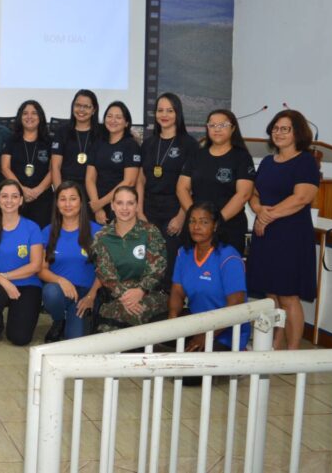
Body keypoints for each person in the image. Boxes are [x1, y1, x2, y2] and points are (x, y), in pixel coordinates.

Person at [247, 110, 320, 350]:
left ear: (297, 133)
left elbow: (301, 198)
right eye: (275, 128)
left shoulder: (306, 161)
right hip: (266, 236)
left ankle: (293, 350)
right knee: (271, 296)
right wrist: (258, 209)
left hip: (291, 235)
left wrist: (267, 215)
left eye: (284, 129)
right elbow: (254, 194)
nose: (278, 133)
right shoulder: (268, 162)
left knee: (289, 296)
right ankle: (274, 344)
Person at [169, 201, 249, 351]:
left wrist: (207, 335)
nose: (196, 227)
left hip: (226, 330)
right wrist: (172, 320)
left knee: (190, 369)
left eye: (203, 222)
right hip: (197, 321)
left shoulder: (228, 257)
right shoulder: (184, 253)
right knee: (153, 332)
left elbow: (236, 306)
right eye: (192, 221)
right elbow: (177, 292)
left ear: (216, 225)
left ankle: (238, 355)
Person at [137, 93, 197, 288]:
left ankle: (171, 313)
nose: (164, 115)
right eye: (160, 110)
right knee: (147, 262)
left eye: (169, 111)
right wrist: (139, 211)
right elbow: (140, 179)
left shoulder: (189, 144)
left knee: (170, 265)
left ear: (177, 114)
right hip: (149, 209)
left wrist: (182, 216)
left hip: (175, 209)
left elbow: (192, 186)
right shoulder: (148, 143)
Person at [90, 185, 168, 332]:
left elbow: (157, 268)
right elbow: (105, 273)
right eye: (119, 203)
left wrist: (141, 290)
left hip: (149, 293)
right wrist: (124, 296)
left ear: (137, 206)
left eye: (130, 203)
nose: (124, 208)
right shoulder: (102, 237)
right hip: (116, 296)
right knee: (108, 323)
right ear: (112, 205)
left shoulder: (150, 232)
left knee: (131, 316)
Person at [177, 109, 256, 253]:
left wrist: (215, 222)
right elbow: (182, 188)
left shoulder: (242, 157)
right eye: (212, 125)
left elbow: (243, 194)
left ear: (233, 128)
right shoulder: (197, 155)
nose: (217, 129)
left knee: (225, 272)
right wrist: (196, 220)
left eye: (222, 125)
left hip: (228, 226)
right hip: (196, 230)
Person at [0, 180, 44, 346]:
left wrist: (4, 276)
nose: (9, 201)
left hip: (27, 284)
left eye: (14, 196)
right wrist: (3, 282)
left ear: (21, 200)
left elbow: (36, 265)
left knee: (19, 339)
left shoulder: (32, 228)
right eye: (4, 196)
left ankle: (17, 314)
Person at [39, 182, 103, 342]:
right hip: (60, 290)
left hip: (85, 294)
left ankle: (72, 320)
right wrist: (61, 280)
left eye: (73, 199)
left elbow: (104, 270)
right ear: (57, 204)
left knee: (75, 342)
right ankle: (59, 320)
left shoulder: (97, 231)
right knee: (50, 292)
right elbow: (41, 269)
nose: (68, 204)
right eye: (63, 199)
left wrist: (91, 296)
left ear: (81, 202)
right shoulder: (48, 231)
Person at [86, 101, 141, 224]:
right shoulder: (98, 143)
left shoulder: (131, 145)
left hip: (121, 206)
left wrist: (100, 203)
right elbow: (90, 178)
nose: (113, 120)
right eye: (109, 116)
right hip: (96, 204)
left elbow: (129, 181)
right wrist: (97, 207)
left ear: (126, 123)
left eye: (118, 117)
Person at [1, 99, 53, 227]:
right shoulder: (11, 140)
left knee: (40, 239)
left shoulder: (49, 141)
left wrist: (37, 191)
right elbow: (5, 167)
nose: (29, 116)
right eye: (25, 113)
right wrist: (21, 190)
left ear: (40, 117)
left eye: (34, 113)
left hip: (42, 198)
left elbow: (54, 170)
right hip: (15, 198)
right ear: (20, 117)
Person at [51, 89, 101, 187]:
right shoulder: (62, 132)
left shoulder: (102, 132)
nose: (81, 110)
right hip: (67, 186)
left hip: (95, 188)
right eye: (77, 105)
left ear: (94, 110)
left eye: (86, 106)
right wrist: (59, 194)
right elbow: (55, 167)